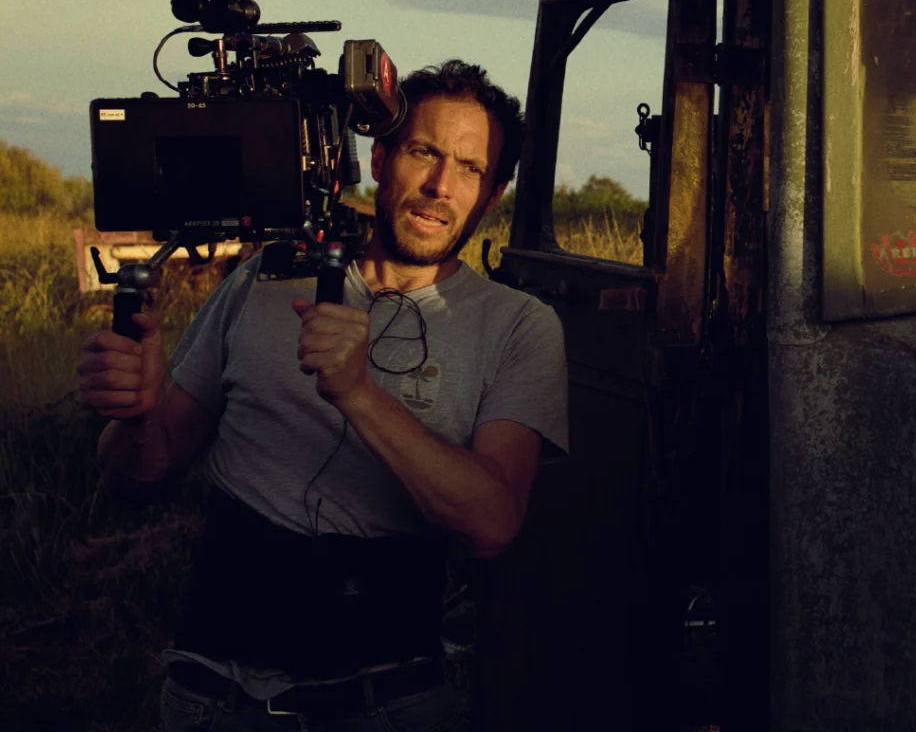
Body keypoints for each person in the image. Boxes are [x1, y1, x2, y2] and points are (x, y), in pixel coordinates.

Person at [77, 59, 569, 732]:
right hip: (214, 701)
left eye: (469, 167)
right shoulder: (262, 281)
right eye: (423, 152)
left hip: (389, 705)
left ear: (495, 191)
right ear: (382, 154)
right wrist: (134, 419)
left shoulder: (520, 327)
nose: (438, 186)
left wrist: (359, 394)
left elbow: (493, 524)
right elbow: (138, 476)